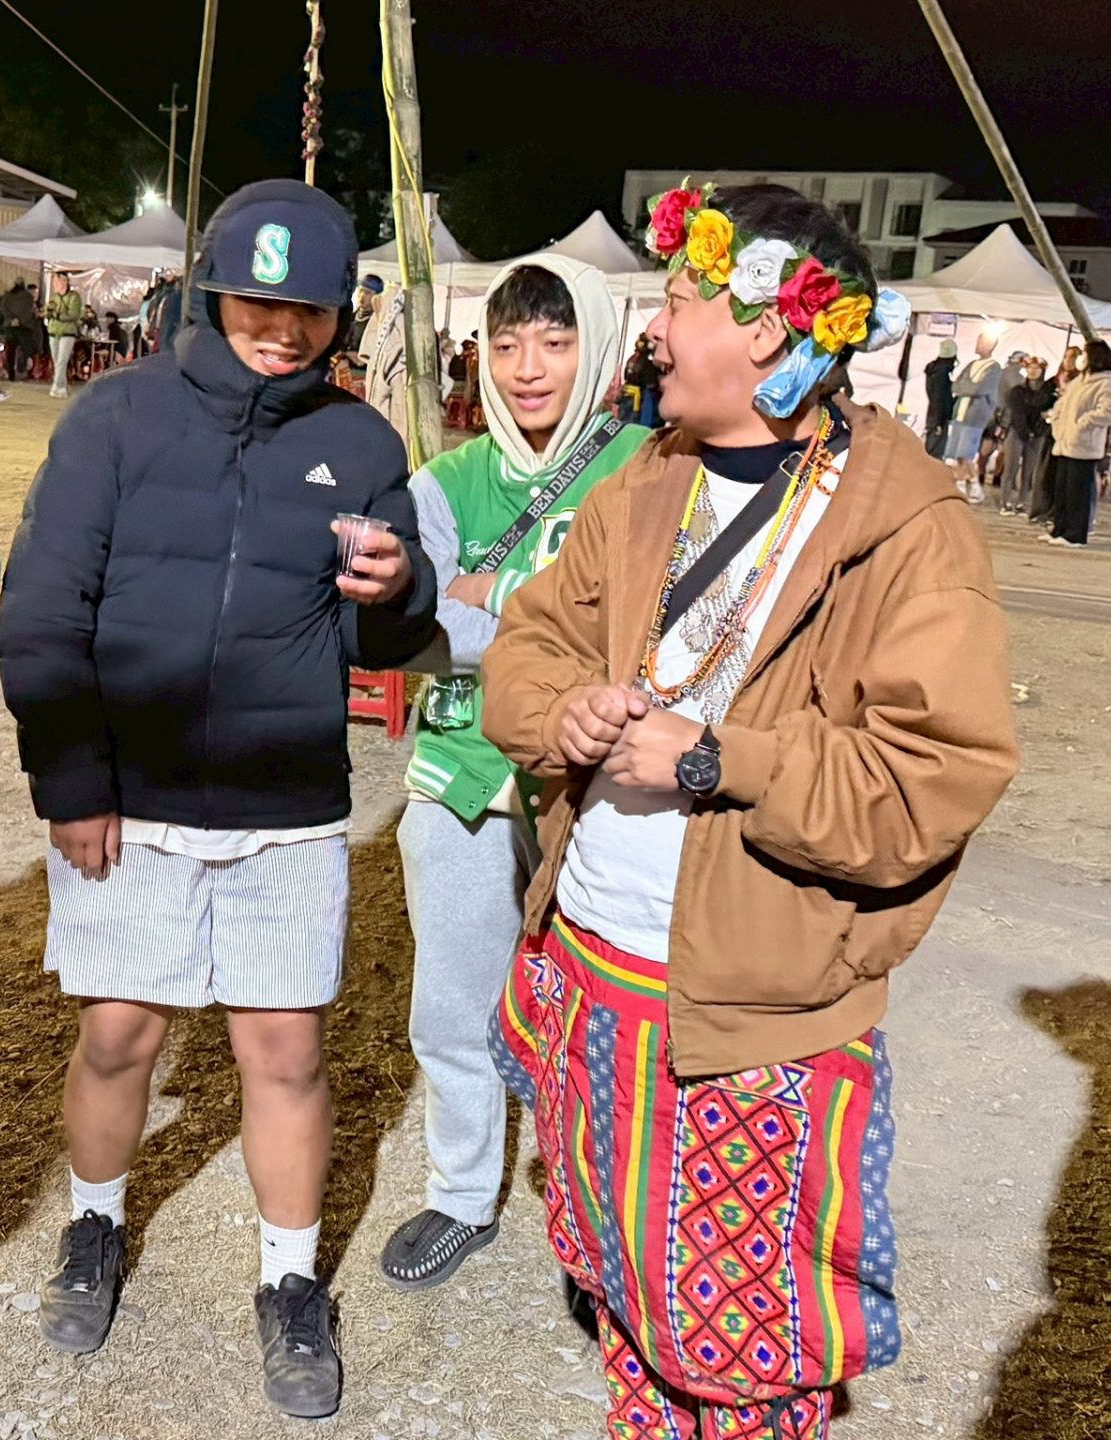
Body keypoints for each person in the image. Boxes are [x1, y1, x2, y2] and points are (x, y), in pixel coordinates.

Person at [482, 182, 1018, 1439]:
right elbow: (527, 645)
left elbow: (930, 780)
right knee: (625, 1307)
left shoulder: (905, 529)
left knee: (746, 1356)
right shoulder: (646, 479)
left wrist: (722, 760)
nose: (655, 328)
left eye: (679, 299)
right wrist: (560, 712)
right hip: (590, 977)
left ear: (769, 327)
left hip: (747, 1024)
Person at [0, 179, 436, 1421]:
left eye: (308, 311)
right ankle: (94, 1226)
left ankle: (290, 1283)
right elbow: (43, 612)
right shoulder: (115, 418)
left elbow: (384, 644)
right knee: (117, 1035)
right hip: (129, 801)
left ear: (339, 316)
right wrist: (72, 780)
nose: (281, 331)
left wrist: (396, 592)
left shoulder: (362, 445)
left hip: (285, 805)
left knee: (284, 1052)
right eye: (256, 302)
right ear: (209, 294)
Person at [384, 255, 650, 1291]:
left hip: (598, 787)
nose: (527, 367)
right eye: (505, 344)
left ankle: (599, 1215)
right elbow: (415, 635)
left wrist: (490, 596)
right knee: (452, 1005)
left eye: (554, 340)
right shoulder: (445, 480)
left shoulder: (649, 468)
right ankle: (462, 1196)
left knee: (600, 1010)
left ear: (599, 346)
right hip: (458, 775)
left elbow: (641, 636)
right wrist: (548, 623)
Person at [1045, 339, 1111, 548]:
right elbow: (1062, 403)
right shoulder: (1079, 380)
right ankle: (1059, 529)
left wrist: (1083, 423)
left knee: (1077, 492)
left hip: (1084, 446)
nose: (1081, 358)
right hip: (1065, 442)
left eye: (1084, 354)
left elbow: (1108, 412)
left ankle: (1075, 534)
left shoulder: (1105, 382)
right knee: (1062, 489)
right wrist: (1057, 423)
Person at [944, 329, 1005, 501]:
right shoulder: (971, 364)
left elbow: (979, 389)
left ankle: (973, 486)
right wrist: (968, 386)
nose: (977, 345)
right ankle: (962, 485)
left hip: (974, 417)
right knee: (956, 455)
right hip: (960, 414)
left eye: (980, 342)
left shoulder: (994, 368)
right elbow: (956, 385)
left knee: (966, 454)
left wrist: (967, 386)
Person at [995, 353, 1054, 515]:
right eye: (1030, 368)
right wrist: (1024, 431)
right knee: (1010, 468)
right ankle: (1005, 502)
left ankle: (1022, 503)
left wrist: (1039, 429)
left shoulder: (1048, 394)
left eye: (1037, 368)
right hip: (1017, 431)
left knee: (1028, 472)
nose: (1033, 371)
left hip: (1037, 433)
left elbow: (1048, 411)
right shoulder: (1017, 391)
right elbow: (1017, 413)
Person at [45, 271, 87, 398]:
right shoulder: (54, 297)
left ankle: (56, 385)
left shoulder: (74, 297)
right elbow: (48, 311)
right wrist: (47, 313)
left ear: (64, 282)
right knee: (57, 360)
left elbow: (74, 314)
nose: (54, 284)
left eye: (56, 281)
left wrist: (58, 315)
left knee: (62, 361)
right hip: (54, 332)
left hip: (67, 333)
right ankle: (62, 387)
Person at [923, 337, 958, 457]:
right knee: (935, 453)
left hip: (933, 415)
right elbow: (939, 398)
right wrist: (940, 422)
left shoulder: (933, 370)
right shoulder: (942, 374)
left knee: (930, 449)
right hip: (938, 417)